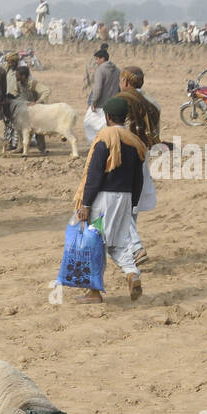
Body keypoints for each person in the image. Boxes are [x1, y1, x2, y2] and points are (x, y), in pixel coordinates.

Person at [73, 95, 146, 303]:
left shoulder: (105, 138)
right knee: (118, 243)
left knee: (94, 243)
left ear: (107, 116)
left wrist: (86, 203)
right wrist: (132, 205)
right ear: (125, 117)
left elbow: (94, 175)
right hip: (125, 199)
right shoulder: (134, 142)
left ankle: (93, 292)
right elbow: (138, 179)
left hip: (103, 200)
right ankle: (132, 273)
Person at [116, 67, 159, 268]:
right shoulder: (151, 104)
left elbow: (113, 131)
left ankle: (135, 247)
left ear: (125, 81)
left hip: (124, 159)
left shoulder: (122, 101)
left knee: (120, 206)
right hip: (143, 157)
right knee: (131, 206)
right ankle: (130, 249)